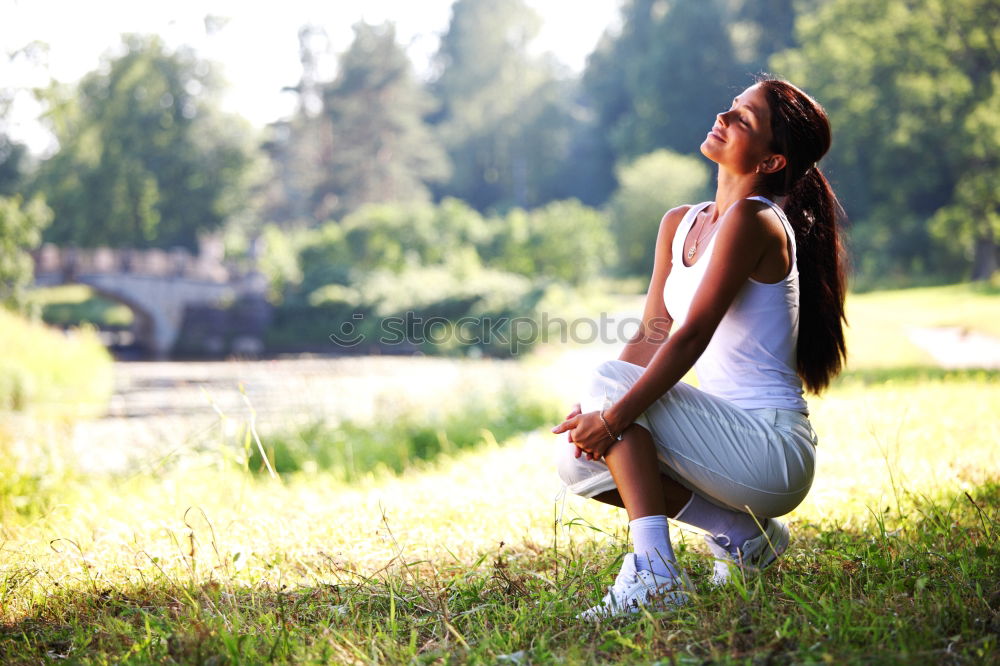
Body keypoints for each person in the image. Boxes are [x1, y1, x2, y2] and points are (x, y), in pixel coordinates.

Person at [551, 78, 847, 619]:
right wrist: (599, 410)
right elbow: (655, 332)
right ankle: (743, 535)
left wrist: (613, 413)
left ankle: (656, 575)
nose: (725, 116)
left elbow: (693, 334)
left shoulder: (754, 220)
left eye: (745, 120)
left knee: (611, 403)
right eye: (732, 107)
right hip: (721, 445)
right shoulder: (680, 223)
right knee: (577, 464)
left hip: (769, 449)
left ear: (771, 160)